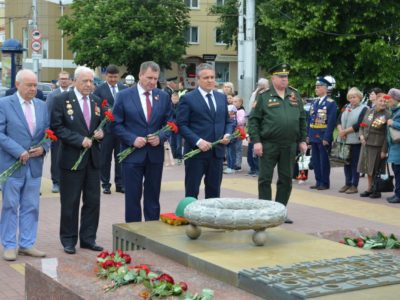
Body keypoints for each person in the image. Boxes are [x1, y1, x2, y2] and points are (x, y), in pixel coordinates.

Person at [51, 66, 105, 254]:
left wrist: (101, 133)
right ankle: (68, 239)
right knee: (70, 202)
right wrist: (79, 140)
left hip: (92, 160)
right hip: (71, 159)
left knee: (92, 201)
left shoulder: (97, 101)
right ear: (75, 81)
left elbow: (100, 126)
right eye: (85, 81)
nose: (89, 85)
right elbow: (57, 127)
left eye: (91, 81)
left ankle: (88, 239)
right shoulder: (61, 100)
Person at [112, 61, 172, 222]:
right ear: (140, 75)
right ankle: (133, 232)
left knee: (153, 197)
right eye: (149, 78)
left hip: (154, 155)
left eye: (155, 78)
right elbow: (115, 124)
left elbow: (170, 124)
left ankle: (152, 231)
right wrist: (132, 139)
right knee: (132, 196)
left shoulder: (163, 96)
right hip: (132, 155)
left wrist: (160, 137)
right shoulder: (124, 96)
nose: (152, 82)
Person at [248, 63, 307, 224]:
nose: (284, 79)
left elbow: (302, 119)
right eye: (281, 77)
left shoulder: (294, 95)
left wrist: (303, 139)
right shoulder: (264, 96)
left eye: (286, 77)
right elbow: (253, 120)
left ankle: (280, 211)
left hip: (289, 145)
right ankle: (266, 212)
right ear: (273, 78)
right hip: (268, 144)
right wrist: (256, 142)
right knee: (265, 179)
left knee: (286, 179)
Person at [0, 69, 49, 261]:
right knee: (10, 205)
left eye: (35, 85)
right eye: (29, 85)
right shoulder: (4, 104)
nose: (33, 89)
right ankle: (10, 245)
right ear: (18, 84)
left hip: (34, 166)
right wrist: (18, 150)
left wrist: (44, 148)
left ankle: (27, 244)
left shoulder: (42, 106)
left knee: (31, 206)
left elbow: (48, 133)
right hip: (12, 165)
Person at [177, 63, 234, 199]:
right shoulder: (188, 98)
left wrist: (227, 134)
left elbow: (228, 121)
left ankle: (211, 220)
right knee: (192, 192)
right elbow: (181, 125)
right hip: (196, 154)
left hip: (217, 153)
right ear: (198, 79)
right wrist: (198, 141)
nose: (210, 80)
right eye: (206, 77)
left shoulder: (221, 97)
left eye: (212, 77)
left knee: (214, 193)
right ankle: (190, 218)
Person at [94, 65, 126, 195]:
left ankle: (120, 184)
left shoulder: (124, 89)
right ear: (106, 76)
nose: (113, 79)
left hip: (121, 130)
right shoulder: (99, 90)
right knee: (105, 158)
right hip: (106, 130)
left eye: (115, 76)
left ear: (118, 76)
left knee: (120, 158)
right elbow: (96, 109)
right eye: (110, 76)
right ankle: (105, 184)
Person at [358, 93, 390, 198]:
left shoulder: (387, 114)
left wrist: (384, 150)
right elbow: (362, 126)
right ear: (375, 101)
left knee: (376, 169)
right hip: (366, 144)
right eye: (381, 101)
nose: (383, 103)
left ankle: (377, 189)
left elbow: (387, 135)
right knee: (368, 169)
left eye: (385, 101)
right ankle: (369, 188)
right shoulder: (369, 111)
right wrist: (361, 136)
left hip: (378, 146)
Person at [308, 77, 337, 190]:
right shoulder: (314, 102)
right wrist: (308, 135)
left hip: (323, 135)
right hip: (313, 134)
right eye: (316, 87)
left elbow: (331, 122)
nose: (316, 89)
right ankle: (318, 181)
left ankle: (324, 183)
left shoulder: (331, 103)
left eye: (318, 87)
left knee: (323, 160)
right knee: (315, 160)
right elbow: (309, 119)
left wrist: (327, 137)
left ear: (325, 88)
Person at [337, 87, 368, 194]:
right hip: (344, 140)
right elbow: (338, 120)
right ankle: (347, 183)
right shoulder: (346, 107)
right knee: (346, 162)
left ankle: (354, 185)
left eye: (354, 97)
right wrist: (341, 131)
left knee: (355, 164)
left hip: (355, 140)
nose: (352, 99)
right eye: (350, 97)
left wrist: (345, 132)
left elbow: (359, 124)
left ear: (359, 97)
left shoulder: (364, 108)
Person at [46, 70, 72, 193]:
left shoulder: (74, 94)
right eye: (61, 79)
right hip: (56, 132)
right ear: (58, 80)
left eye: (66, 78)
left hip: (72, 132)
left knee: (70, 157)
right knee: (56, 158)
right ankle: (56, 182)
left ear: (70, 80)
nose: (64, 81)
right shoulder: (53, 95)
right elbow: (48, 113)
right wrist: (49, 132)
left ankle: (68, 181)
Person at [246, 78, 269, 176]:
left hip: (258, 127)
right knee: (254, 150)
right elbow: (253, 112)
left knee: (256, 150)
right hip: (256, 126)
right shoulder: (259, 95)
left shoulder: (257, 94)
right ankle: (255, 168)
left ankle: (256, 169)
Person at [385, 88, 400, 203]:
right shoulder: (393, 110)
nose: (388, 100)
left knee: (399, 171)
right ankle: (397, 193)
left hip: (398, 147)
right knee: (396, 170)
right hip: (394, 147)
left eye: (390, 98)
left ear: (396, 99)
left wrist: (393, 123)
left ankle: (399, 195)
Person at [233, 96, 246, 171]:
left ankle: (238, 164)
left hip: (238, 132)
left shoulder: (241, 111)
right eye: (233, 101)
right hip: (233, 131)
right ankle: (233, 162)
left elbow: (241, 121)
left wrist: (233, 119)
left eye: (235, 101)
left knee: (238, 148)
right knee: (233, 148)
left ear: (240, 103)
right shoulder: (232, 110)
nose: (233, 103)